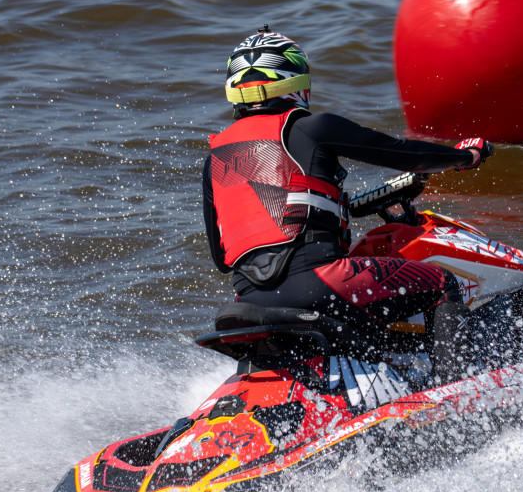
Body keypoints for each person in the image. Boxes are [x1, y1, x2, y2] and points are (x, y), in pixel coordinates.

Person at [202, 26, 489, 364]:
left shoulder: (214, 160)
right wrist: (466, 157)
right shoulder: (311, 128)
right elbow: (405, 154)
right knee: (441, 283)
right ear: (296, 81)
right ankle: (459, 400)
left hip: (247, 300)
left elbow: (223, 260)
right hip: (319, 284)